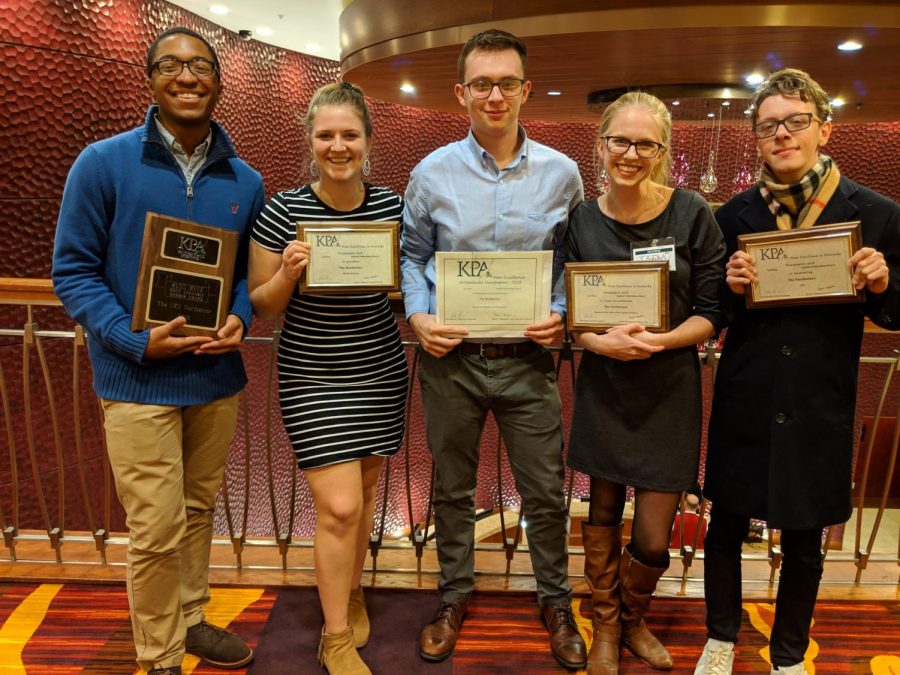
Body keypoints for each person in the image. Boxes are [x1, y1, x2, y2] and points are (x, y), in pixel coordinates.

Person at [51, 27, 264, 675]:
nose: (187, 76)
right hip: (135, 380)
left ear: (218, 83)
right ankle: (160, 654)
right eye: (171, 65)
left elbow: (250, 274)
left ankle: (192, 618)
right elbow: (73, 270)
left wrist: (239, 315)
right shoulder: (102, 162)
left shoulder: (244, 179)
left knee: (199, 511)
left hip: (213, 378)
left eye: (201, 66)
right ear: (149, 80)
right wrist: (134, 339)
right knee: (154, 528)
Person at [695, 68, 900, 675]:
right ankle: (721, 637)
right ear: (756, 139)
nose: (782, 134)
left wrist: (885, 281)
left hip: (822, 400)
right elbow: (714, 309)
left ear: (823, 127)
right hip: (747, 393)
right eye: (768, 127)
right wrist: (730, 289)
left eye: (795, 121)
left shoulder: (879, 214)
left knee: (805, 539)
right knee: (725, 526)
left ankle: (787, 654)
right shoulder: (731, 215)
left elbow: (896, 310)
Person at [401, 28, 587, 671]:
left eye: (507, 82)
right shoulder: (431, 172)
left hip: (529, 362)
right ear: (462, 93)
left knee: (544, 491)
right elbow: (413, 255)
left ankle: (556, 603)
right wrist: (419, 316)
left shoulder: (564, 174)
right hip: (450, 359)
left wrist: (562, 313)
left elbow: (572, 260)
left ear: (526, 90)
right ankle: (453, 596)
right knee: (452, 489)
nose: (495, 94)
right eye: (482, 83)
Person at [248, 82, 408, 675]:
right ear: (310, 141)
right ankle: (335, 637)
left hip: (379, 365)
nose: (338, 146)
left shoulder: (392, 206)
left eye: (349, 135)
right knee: (338, 507)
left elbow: (402, 286)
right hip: (313, 371)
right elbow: (262, 304)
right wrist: (289, 272)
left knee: (364, 499)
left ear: (368, 141)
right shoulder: (283, 210)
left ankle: (351, 588)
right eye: (326, 135)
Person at [565, 91, 725, 674]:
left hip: (668, 389)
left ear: (662, 150)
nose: (630, 154)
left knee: (654, 538)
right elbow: (569, 310)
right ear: (601, 144)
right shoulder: (580, 220)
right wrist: (596, 342)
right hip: (606, 386)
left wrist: (661, 341)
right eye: (620, 141)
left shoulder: (692, 214)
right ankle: (606, 624)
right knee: (602, 512)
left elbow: (714, 307)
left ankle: (634, 617)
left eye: (645, 144)